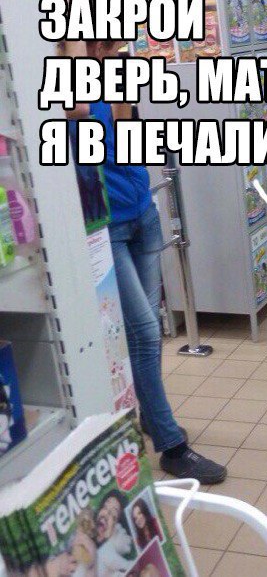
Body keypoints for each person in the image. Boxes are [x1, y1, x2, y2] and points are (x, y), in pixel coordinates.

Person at [62, 40, 227, 486]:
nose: (111, 52)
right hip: (106, 228)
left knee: (147, 332)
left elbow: (127, 136)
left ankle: (152, 419)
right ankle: (171, 446)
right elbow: (77, 107)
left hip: (142, 215)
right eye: (100, 44)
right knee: (145, 331)